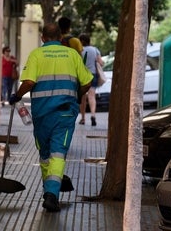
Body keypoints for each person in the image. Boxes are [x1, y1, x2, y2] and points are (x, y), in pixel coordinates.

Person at [9, 23, 93, 212]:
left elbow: (29, 81)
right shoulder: (72, 55)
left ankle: (50, 191)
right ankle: (51, 193)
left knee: (46, 154)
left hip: (42, 115)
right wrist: (77, 94)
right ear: (61, 37)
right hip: (64, 113)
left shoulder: (37, 54)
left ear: (43, 38)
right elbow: (87, 83)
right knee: (57, 153)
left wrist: (17, 95)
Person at [78, 34, 104, 126]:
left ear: (82, 41)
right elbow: (101, 63)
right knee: (92, 96)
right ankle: (93, 115)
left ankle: (83, 118)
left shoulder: (80, 51)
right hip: (93, 75)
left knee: (83, 98)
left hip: (83, 76)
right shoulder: (95, 50)